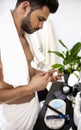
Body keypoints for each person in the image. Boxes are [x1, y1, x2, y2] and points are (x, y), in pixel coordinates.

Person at [0, 0, 61, 130]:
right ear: (25, 7)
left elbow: (26, 70)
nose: (41, 26)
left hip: (32, 108)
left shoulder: (24, 36)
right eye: (40, 19)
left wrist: (45, 74)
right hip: (14, 120)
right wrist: (30, 88)